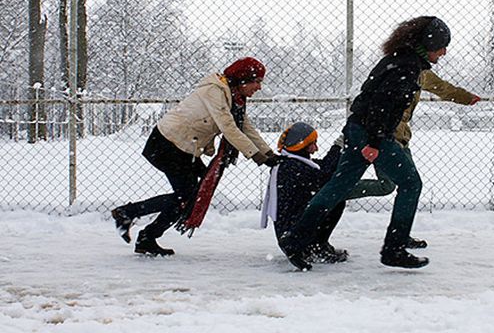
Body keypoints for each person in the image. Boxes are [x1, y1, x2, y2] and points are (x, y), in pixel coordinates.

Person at [279, 16, 454, 271]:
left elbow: (367, 98)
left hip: (357, 128)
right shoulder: (406, 68)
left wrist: (362, 136)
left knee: (339, 186)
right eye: (441, 46)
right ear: (427, 44)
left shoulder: (394, 60)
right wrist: (372, 142)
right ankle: (394, 248)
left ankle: (295, 239)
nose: (444, 52)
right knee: (410, 183)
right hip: (373, 133)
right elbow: (383, 106)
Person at [111, 57, 282, 256]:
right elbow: (229, 128)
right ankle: (130, 217)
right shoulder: (215, 91)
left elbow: (246, 128)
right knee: (186, 197)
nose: (259, 87)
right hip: (167, 144)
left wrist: (269, 154)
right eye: (257, 81)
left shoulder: (235, 99)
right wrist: (259, 158)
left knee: (190, 197)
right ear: (243, 79)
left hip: (186, 149)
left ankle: (145, 235)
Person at [346, 68, 481, 250]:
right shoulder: (400, 69)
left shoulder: (420, 72)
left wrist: (465, 97)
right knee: (395, 185)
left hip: (399, 136)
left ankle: (400, 234)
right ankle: (336, 193)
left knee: (407, 185)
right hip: (384, 136)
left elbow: (441, 87)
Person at [261, 122, 348, 264]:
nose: (316, 149)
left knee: (330, 200)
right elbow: (324, 174)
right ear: (301, 145)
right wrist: (337, 147)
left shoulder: (290, 163)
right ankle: (314, 248)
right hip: (291, 235)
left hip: (290, 228)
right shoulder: (293, 168)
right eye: (313, 144)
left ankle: (316, 245)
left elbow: (322, 166)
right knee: (332, 200)